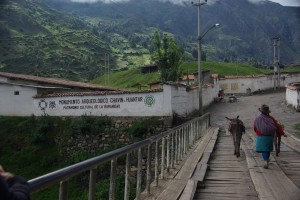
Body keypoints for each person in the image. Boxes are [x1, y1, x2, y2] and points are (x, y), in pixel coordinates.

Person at [253, 104, 287, 169]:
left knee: (263, 150)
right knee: (267, 150)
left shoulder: (257, 119)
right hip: (269, 136)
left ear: (261, 111)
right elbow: (277, 126)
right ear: (267, 112)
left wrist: (258, 132)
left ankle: (266, 160)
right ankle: (267, 160)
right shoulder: (271, 118)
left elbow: (255, 128)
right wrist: (282, 133)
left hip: (261, 136)